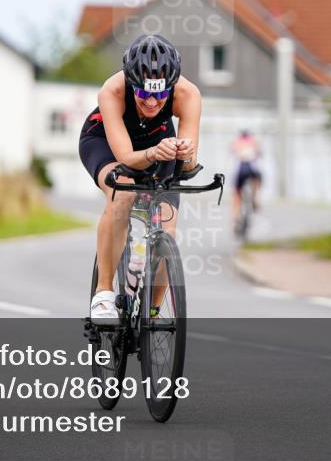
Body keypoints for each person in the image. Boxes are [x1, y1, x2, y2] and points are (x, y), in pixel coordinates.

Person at [78, 34, 201, 320]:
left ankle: (153, 313)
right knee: (123, 192)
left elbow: (189, 162)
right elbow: (125, 158)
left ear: (170, 87)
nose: (151, 101)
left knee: (168, 231)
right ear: (131, 83)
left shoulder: (188, 95)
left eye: (159, 94)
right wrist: (154, 153)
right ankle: (104, 292)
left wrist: (184, 152)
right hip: (105, 143)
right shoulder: (112, 91)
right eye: (143, 93)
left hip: (160, 144)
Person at [231, 129, 262, 225]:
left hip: (240, 171)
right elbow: (259, 153)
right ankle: (255, 198)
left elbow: (232, 151)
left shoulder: (237, 142)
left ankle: (235, 216)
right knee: (258, 179)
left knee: (237, 193)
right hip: (252, 170)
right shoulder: (253, 141)